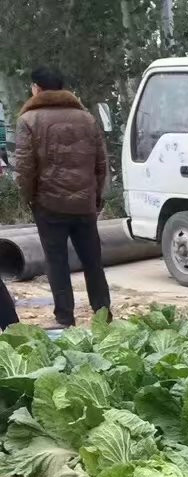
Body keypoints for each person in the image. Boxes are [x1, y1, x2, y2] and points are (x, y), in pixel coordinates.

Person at [14, 66, 111, 329]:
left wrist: (29, 198)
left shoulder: (28, 120)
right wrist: (96, 197)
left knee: (56, 261)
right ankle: (103, 315)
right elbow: (101, 163)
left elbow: (24, 169)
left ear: (37, 88)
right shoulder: (86, 118)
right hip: (84, 204)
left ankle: (65, 318)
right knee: (93, 261)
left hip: (49, 205)